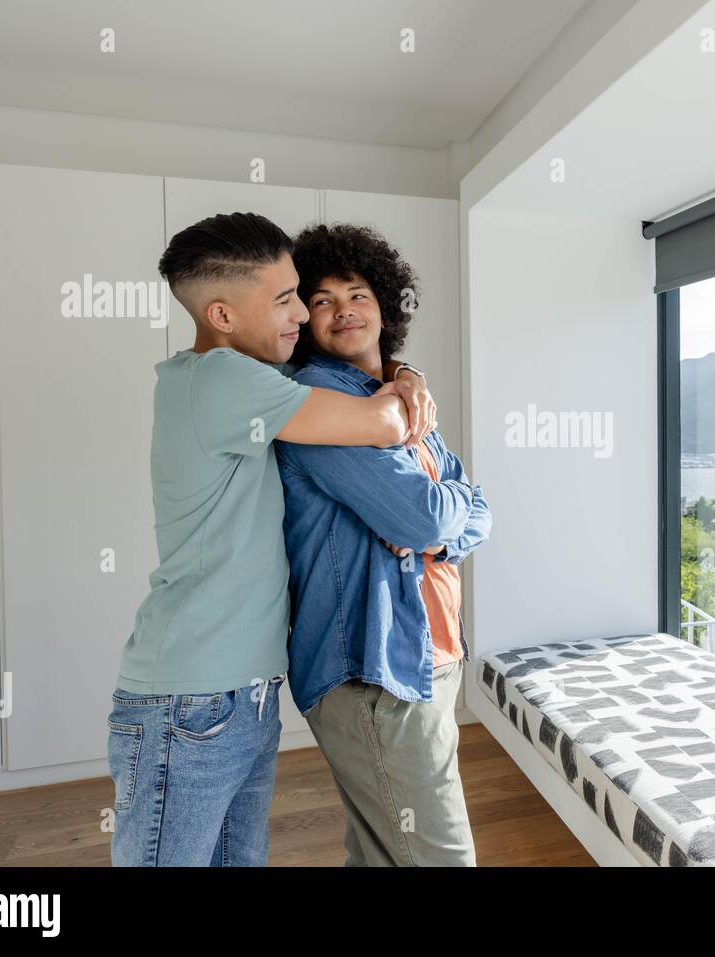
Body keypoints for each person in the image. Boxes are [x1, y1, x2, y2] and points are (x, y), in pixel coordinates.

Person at [106, 212, 437, 867]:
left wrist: (402, 365)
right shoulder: (226, 380)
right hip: (190, 697)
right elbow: (382, 419)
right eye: (286, 298)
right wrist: (405, 384)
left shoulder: (235, 382)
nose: (299, 313)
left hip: (240, 694)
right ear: (223, 316)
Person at [276, 223, 490, 866]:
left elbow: (475, 511)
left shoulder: (398, 396)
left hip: (430, 656)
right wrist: (452, 518)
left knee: (382, 850)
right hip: (373, 670)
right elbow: (427, 519)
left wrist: (452, 517)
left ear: (385, 305)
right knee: (438, 856)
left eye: (358, 293)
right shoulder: (319, 404)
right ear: (305, 320)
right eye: (322, 300)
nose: (343, 310)